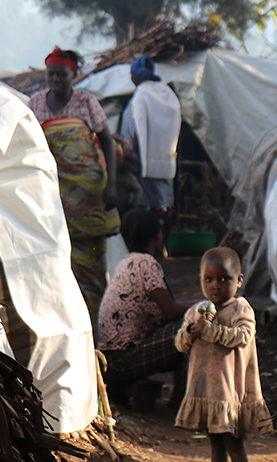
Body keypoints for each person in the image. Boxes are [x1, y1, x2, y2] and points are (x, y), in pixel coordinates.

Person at [30, 46, 119, 309]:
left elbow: (107, 142)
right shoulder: (35, 102)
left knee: (92, 258)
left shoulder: (86, 101)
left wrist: (111, 184)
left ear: (74, 75)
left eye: (62, 74)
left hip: (90, 192)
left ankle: (95, 316)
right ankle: (67, 311)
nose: (56, 79)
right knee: (58, 253)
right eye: (51, 74)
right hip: (54, 192)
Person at [175, 247, 271, 460]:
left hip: (230, 393)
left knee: (233, 444)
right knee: (215, 443)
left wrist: (210, 331)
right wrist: (191, 330)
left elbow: (243, 336)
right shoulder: (196, 310)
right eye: (208, 279)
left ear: (239, 280)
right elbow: (180, 344)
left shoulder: (241, 309)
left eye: (224, 279)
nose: (215, 285)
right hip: (207, 393)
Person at [98, 209, 194, 403]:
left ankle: (180, 397)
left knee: (188, 325)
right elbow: (170, 310)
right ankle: (181, 400)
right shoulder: (146, 263)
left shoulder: (125, 263)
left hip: (107, 363)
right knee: (193, 325)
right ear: (157, 236)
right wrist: (204, 304)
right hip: (123, 361)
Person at [118, 55, 181, 216]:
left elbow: (139, 127)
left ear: (137, 75)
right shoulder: (164, 92)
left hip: (141, 160)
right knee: (163, 205)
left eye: (132, 73)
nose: (131, 77)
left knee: (145, 207)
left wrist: (132, 152)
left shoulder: (142, 95)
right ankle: (163, 238)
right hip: (164, 158)